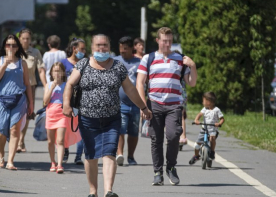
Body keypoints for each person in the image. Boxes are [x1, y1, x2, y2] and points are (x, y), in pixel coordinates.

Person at [63, 34, 152, 197]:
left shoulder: (117, 67)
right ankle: (93, 191)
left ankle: (108, 191)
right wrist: (67, 105)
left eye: (104, 45)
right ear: (92, 47)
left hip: (111, 118)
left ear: (109, 46)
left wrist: (143, 107)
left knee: (110, 152)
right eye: (98, 45)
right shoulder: (83, 64)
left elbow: (130, 89)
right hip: (87, 118)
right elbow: (69, 84)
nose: (101, 48)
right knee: (90, 155)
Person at [136, 27, 197, 186]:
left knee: (173, 135)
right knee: (156, 139)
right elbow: (139, 83)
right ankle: (157, 172)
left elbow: (191, 83)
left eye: (170, 41)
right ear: (158, 41)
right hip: (154, 104)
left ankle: (171, 166)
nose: (167, 44)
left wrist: (193, 66)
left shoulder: (180, 58)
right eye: (164, 41)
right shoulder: (148, 58)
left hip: (174, 105)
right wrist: (143, 106)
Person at [0, 34, 33, 170]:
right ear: (4, 46)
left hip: (19, 100)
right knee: (1, 132)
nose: (11, 47)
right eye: (8, 45)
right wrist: (6, 64)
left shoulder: (23, 63)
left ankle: (10, 161)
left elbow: (27, 84)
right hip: (1, 100)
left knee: (14, 130)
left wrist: (31, 103)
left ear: (17, 47)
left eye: (14, 45)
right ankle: (1, 153)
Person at [43, 62, 81, 173]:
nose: (57, 73)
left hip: (62, 114)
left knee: (60, 141)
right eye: (55, 71)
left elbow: (71, 100)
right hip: (50, 113)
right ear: (51, 73)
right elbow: (45, 102)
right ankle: (52, 162)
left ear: (63, 72)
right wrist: (52, 88)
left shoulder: (67, 85)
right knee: (50, 141)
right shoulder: (48, 85)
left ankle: (59, 165)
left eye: (59, 71)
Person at [113, 36, 141, 166]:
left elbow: (144, 82)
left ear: (131, 48)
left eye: (125, 48)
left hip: (135, 103)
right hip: (120, 103)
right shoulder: (115, 61)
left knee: (133, 132)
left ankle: (131, 156)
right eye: (120, 48)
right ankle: (120, 154)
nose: (122, 51)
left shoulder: (139, 62)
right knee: (121, 130)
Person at [17, 28, 47, 153]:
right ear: (19, 39)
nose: (25, 41)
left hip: (31, 87)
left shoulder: (35, 52)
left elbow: (40, 70)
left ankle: (20, 140)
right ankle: (16, 138)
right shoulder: (14, 51)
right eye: (23, 38)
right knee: (16, 114)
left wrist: (46, 86)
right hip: (16, 87)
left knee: (27, 114)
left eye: (28, 38)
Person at [61, 37, 87, 165]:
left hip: (80, 102)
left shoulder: (86, 64)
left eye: (84, 49)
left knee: (80, 128)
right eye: (81, 49)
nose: (84, 51)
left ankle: (78, 156)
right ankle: (65, 151)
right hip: (66, 101)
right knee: (65, 128)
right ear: (74, 49)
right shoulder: (63, 63)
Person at [189, 92, 225, 164]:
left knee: (212, 138)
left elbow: (222, 119)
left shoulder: (216, 110)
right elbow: (199, 114)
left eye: (203, 101)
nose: (203, 102)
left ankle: (212, 151)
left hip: (213, 130)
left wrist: (219, 123)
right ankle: (196, 156)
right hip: (204, 130)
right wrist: (196, 120)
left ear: (209, 102)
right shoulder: (204, 109)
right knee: (197, 145)